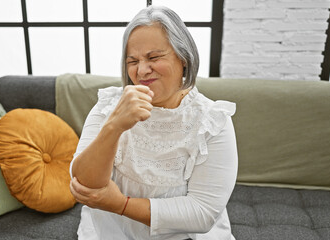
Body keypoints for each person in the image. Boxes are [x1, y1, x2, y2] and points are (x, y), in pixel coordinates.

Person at [69, 5, 238, 240]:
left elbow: (202, 212)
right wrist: (114, 126)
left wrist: (121, 204)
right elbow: (83, 185)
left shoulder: (212, 121)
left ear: (184, 58)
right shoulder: (109, 105)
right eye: (132, 61)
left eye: (154, 57)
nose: (141, 70)